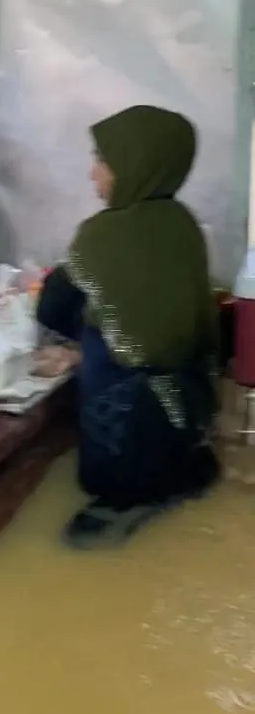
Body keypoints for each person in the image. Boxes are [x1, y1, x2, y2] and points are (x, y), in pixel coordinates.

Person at [37, 105, 219, 549]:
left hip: (129, 424)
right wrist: (84, 354)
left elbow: (53, 307)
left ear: (135, 162)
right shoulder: (184, 225)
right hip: (188, 410)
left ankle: (129, 500)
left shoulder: (103, 236)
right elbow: (158, 329)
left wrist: (79, 345)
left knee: (81, 539)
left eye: (102, 158)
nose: (92, 173)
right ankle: (181, 480)